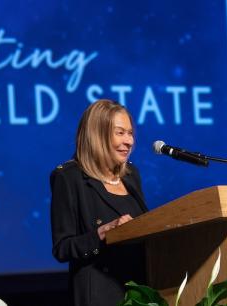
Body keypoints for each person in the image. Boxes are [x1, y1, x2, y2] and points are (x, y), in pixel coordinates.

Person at [50, 99, 148, 306]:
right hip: (101, 295)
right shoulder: (69, 178)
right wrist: (102, 233)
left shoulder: (131, 175)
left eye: (130, 133)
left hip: (141, 291)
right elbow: (62, 248)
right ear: (97, 135)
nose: (129, 141)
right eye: (120, 133)